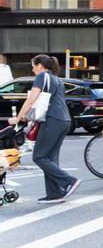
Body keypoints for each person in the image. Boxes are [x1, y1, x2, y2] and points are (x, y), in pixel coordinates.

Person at [8, 55, 81, 204]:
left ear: (40, 65)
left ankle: (69, 181)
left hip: (52, 120)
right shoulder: (56, 79)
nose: (33, 69)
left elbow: (31, 99)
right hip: (64, 120)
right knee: (50, 158)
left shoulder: (42, 76)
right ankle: (55, 193)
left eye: (33, 66)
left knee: (39, 157)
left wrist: (18, 118)